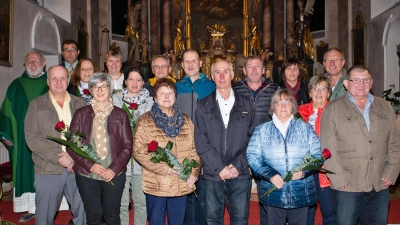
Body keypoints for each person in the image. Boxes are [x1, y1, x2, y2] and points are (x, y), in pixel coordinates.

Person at [320, 65, 400, 225]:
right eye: (355, 80)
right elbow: (328, 147)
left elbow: (395, 142)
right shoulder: (333, 108)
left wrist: (392, 171)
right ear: (346, 84)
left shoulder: (385, 106)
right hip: (348, 185)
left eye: (365, 80)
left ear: (371, 82)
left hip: (379, 182)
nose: (361, 84)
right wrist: (339, 179)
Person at [247, 89, 321, 225]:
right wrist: (270, 175)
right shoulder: (261, 130)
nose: (282, 105)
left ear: (292, 106)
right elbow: (253, 156)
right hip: (273, 194)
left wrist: (304, 171)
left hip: (300, 193)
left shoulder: (305, 129)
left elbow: (317, 155)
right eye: (278, 102)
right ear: (273, 106)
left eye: (287, 101)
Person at [194, 60, 256, 225]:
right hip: (213, 174)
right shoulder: (203, 105)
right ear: (212, 76)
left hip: (240, 173)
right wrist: (220, 168)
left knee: (240, 219)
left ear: (233, 74)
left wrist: (237, 165)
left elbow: (254, 139)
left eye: (226, 71)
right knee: (213, 219)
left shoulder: (247, 103)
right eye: (217, 72)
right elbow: (201, 141)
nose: (222, 76)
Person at [67, 72, 133, 224]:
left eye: (104, 86)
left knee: (112, 215)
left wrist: (113, 170)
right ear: (90, 90)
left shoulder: (120, 115)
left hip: (113, 174)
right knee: (93, 216)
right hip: (87, 174)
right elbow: (72, 145)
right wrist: (91, 166)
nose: (100, 90)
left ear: (110, 89)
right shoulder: (81, 114)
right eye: (95, 87)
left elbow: (128, 146)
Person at [24, 65, 86, 225]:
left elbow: (88, 135)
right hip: (48, 169)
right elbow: (32, 137)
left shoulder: (80, 104)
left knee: (84, 213)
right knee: (44, 216)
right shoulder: (36, 105)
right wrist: (59, 157)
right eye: (54, 78)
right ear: (47, 81)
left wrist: (73, 157)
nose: (59, 82)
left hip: (77, 167)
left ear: (68, 80)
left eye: (62, 78)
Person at [133, 78, 200, 225]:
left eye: (170, 93)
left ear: (175, 97)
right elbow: (138, 151)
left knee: (178, 222)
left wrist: (194, 172)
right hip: (157, 183)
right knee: (156, 221)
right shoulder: (145, 121)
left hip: (180, 183)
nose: (166, 96)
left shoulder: (186, 121)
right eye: (162, 93)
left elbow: (194, 150)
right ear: (155, 97)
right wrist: (164, 168)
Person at [0, 51, 49, 222]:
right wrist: (5, 134)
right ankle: (30, 208)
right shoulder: (16, 85)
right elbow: (5, 111)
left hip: (47, 139)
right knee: (26, 171)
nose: (33, 64)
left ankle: (47, 207)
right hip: (22, 141)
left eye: (37, 61)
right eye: (29, 61)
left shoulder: (52, 83)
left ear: (43, 63)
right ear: (25, 64)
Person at [232, 55, 279, 225]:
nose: (253, 70)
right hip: (240, 147)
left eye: (257, 66)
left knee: (267, 193)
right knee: (240, 195)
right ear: (243, 70)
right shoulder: (234, 89)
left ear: (264, 70)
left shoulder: (275, 89)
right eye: (250, 66)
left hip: (267, 149)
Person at [176, 49, 215, 225]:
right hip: (183, 147)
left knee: (204, 195)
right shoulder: (176, 87)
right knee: (186, 192)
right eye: (187, 61)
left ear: (200, 63)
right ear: (182, 65)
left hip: (206, 146)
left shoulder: (211, 86)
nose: (191, 64)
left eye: (194, 61)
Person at [113, 67, 154, 225]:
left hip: (141, 161)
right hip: (120, 159)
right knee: (122, 203)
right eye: (131, 79)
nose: (134, 83)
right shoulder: (115, 100)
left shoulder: (151, 102)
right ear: (125, 81)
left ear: (143, 83)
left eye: (138, 80)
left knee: (140, 202)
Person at [298, 76, 336, 225]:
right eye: (315, 88)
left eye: (323, 88)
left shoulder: (335, 110)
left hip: (326, 169)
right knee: (305, 211)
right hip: (303, 169)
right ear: (309, 92)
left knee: (329, 211)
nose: (318, 92)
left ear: (328, 93)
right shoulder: (298, 112)